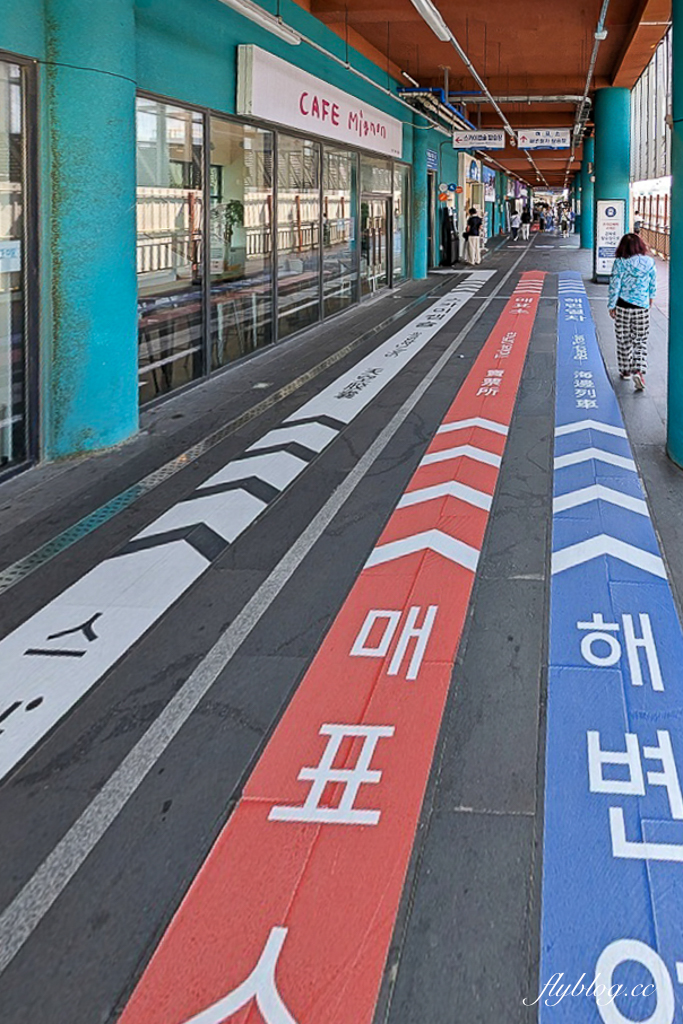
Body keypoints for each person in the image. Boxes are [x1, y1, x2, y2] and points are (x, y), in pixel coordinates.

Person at [608, 233, 657, 391]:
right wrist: (650, 298)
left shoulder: (620, 263)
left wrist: (612, 305)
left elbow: (615, 285)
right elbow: (652, 283)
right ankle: (638, 370)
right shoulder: (649, 262)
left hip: (623, 305)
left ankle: (625, 371)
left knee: (623, 339)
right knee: (640, 340)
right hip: (642, 306)